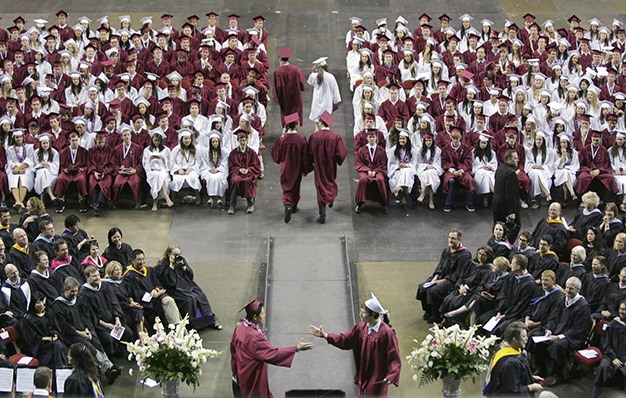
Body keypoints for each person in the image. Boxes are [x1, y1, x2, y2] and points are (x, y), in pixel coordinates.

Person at [308, 293, 401, 397]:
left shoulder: (386, 333)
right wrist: (325, 335)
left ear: (373, 315)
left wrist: (392, 375)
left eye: (364, 312)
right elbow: (345, 339)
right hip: (363, 371)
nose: (360, 314)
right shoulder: (361, 328)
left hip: (377, 373)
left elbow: (394, 356)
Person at [230, 299, 314, 398]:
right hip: (253, 375)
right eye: (262, 313)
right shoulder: (255, 338)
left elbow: (233, 350)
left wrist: (235, 370)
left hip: (242, 371)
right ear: (255, 317)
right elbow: (273, 354)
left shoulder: (240, 327)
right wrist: (296, 348)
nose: (265, 315)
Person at [532, 276, 590, 385]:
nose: (567, 290)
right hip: (557, 331)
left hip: (573, 337)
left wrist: (559, 336)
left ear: (578, 290)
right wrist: (549, 330)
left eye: (571, 289)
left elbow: (578, 330)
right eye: (567, 287)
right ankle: (541, 369)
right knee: (537, 337)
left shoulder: (583, 306)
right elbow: (553, 317)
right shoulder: (562, 299)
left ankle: (560, 375)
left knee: (558, 345)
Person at [156, 244, 222, 331]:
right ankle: (193, 325)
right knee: (188, 300)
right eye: (175, 254)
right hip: (173, 288)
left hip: (185, 284)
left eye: (179, 254)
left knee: (200, 295)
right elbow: (169, 282)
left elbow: (190, 276)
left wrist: (184, 268)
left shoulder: (181, 260)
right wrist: (171, 266)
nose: (178, 257)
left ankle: (209, 320)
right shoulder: (162, 264)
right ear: (169, 254)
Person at [416, 228, 472, 323]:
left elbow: (458, 274)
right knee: (422, 287)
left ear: (459, 240)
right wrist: (435, 277)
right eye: (449, 237)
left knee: (433, 291)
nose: (450, 240)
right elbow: (441, 265)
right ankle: (428, 311)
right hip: (441, 276)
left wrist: (442, 281)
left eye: (453, 238)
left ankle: (436, 316)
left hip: (452, 281)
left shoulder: (465, 255)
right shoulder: (446, 250)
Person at [483, 321, 544, 397]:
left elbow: (511, 377)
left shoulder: (503, 349)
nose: (527, 339)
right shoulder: (511, 363)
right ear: (515, 339)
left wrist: (530, 377)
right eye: (524, 336)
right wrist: (530, 387)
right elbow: (511, 391)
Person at [307, 111, 348, 224]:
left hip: (319, 166)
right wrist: (337, 160)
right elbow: (342, 153)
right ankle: (331, 197)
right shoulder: (336, 137)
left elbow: (309, 153)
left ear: (321, 122)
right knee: (330, 182)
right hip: (330, 166)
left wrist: (310, 164)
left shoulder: (314, 137)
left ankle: (322, 215)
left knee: (320, 187)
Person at [271, 113, 307, 223]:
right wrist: (305, 169)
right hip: (297, 168)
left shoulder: (282, 140)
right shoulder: (301, 139)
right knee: (295, 187)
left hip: (285, 168)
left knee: (287, 188)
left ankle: (288, 205)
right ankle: (294, 206)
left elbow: (277, 156)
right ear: (296, 125)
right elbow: (305, 156)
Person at [20, 292, 68, 369]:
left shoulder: (48, 314)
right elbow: (31, 339)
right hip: (37, 346)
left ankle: (61, 367)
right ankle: (59, 368)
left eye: (42, 301)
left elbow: (54, 327)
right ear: (33, 304)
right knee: (56, 346)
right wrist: (48, 338)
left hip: (50, 342)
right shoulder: (28, 319)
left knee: (60, 345)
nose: (41, 305)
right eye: (38, 302)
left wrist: (55, 334)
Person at [592, 299, 626, 398]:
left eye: (624, 309)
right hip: (610, 356)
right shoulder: (613, 324)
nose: (621, 312)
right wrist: (613, 358)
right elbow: (605, 344)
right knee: (603, 366)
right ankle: (596, 393)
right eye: (620, 309)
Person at [355, 130, 389, 214]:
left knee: (380, 179)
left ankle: (384, 203)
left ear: (376, 138)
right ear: (367, 138)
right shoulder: (362, 150)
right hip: (365, 171)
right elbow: (359, 163)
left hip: (378, 171)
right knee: (363, 179)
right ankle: (359, 204)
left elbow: (383, 164)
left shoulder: (381, 151)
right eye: (370, 137)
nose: (372, 139)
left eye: (373, 137)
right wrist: (368, 170)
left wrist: (375, 171)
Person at [228, 131, 261, 215]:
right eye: (241, 140)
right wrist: (239, 169)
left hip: (248, 173)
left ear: (247, 140)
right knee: (235, 180)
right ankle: (232, 205)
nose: (243, 142)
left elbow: (256, 165)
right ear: (238, 141)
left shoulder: (252, 153)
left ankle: (250, 204)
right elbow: (231, 166)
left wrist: (248, 170)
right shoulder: (233, 153)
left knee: (247, 180)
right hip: (237, 173)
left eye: (244, 140)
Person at [494, 149, 521, 243]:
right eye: (515, 158)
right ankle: (505, 247)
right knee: (514, 228)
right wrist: (512, 211)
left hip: (497, 205)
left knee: (498, 229)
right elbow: (510, 193)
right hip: (505, 207)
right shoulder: (510, 173)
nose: (518, 160)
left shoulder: (500, 169)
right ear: (509, 159)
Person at [273, 47, 305, 125]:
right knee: (295, 111)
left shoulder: (278, 72)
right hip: (295, 96)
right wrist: (300, 87)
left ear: (280, 59)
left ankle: (287, 129)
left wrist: (278, 98)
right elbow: (301, 82)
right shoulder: (296, 69)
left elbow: (278, 87)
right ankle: (295, 129)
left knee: (286, 112)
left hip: (285, 97)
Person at [308, 57, 341, 123]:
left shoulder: (314, 76)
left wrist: (313, 72)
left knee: (317, 123)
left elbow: (310, 82)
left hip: (317, 101)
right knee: (325, 123)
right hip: (327, 102)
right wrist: (336, 101)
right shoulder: (330, 77)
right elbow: (335, 90)